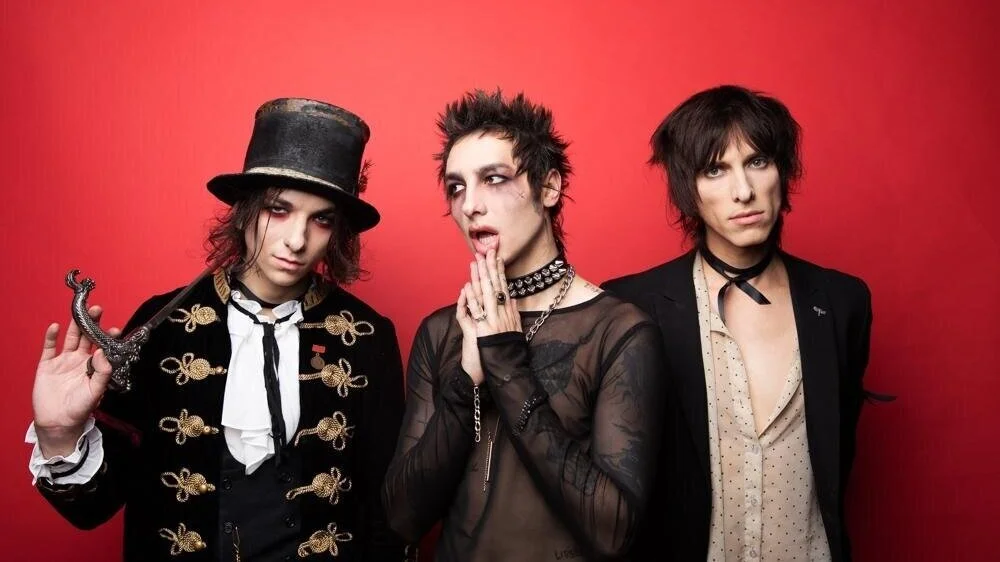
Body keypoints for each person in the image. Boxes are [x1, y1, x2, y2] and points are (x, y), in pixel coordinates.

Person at [27, 98, 406, 561]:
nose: (297, 240)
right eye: (279, 210)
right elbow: (92, 509)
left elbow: (386, 512)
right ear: (245, 210)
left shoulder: (367, 336)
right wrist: (59, 434)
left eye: (321, 218)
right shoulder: (163, 324)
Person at [382, 89, 665, 561]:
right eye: (456, 187)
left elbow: (613, 532)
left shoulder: (619, 332)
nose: (470, 205)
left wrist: (505, 361)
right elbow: (402, 518)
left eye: (493, 179)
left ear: (549, 187)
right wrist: (466, 382)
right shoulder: (441, 332)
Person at [603, 85, 874, 561]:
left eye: (757, 162)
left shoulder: (841, 302)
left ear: (782, 171)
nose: (744, 191)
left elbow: (838, 450)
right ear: (687, 189)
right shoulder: (632, 305)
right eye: (715, 169)